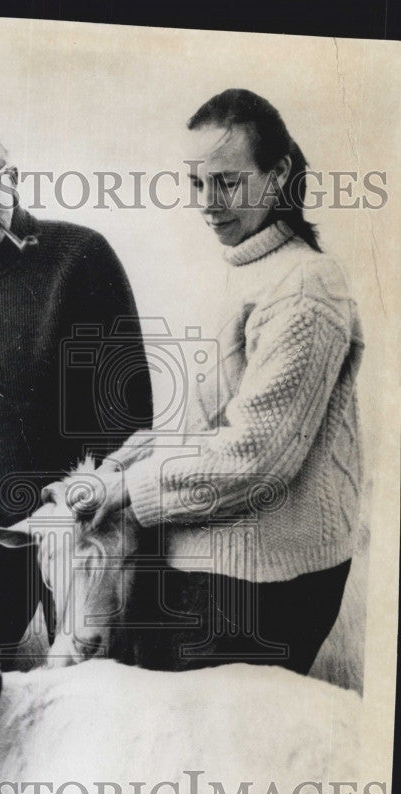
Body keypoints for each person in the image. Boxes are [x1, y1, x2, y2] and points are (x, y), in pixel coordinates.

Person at [87, 89, 364, 675]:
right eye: (196, 183)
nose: (208, 204)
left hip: (257, 584)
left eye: (228, 182)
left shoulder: (307, 286)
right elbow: (199, 423)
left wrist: (130, 491)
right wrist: (118, 465)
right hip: (203, 565)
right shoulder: (241, 271)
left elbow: (256, 456)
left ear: (279, 173)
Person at [0, 117, 153, 665]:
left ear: (11, 176)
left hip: (81, 518)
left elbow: (131, 404)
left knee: (89, 682)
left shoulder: (81, 258)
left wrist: (96, 501)